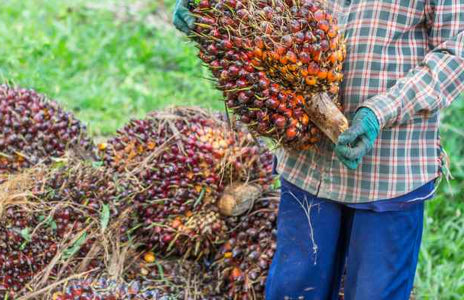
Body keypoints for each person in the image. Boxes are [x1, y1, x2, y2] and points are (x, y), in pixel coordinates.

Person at [173, 0, 463, 299]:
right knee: (294, 289)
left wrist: (381, 112)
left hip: (388, 170)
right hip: (308, 168)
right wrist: (206, 11)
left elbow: (456, 53)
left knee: (373, 293)